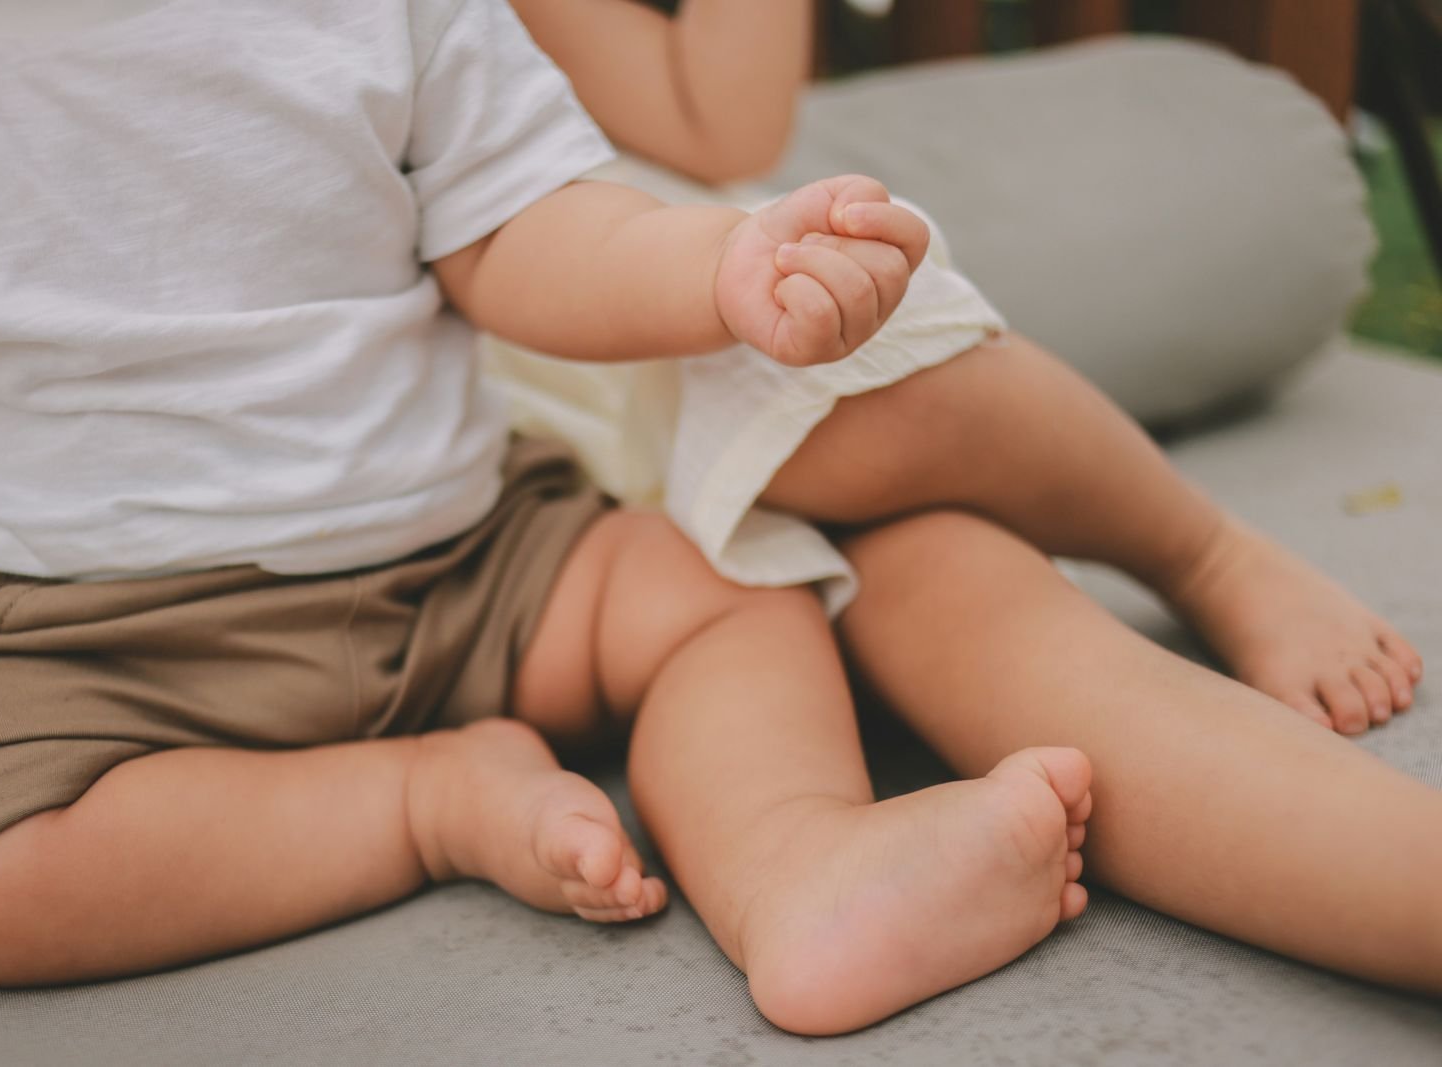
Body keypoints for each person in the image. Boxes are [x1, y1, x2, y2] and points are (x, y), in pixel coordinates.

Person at [0, 0, 1095, 1038]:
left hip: (468, 559)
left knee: (721, 591)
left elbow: (521, 231)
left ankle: (795, 861)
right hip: (91, 636)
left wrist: (715, 269)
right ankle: (423, 800)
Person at [496, 0, 1442, 1000]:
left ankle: (1199, 548)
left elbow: (720, 124)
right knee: (932, 586)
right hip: (553, 481)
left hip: (667, 310)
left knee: (833, 428)